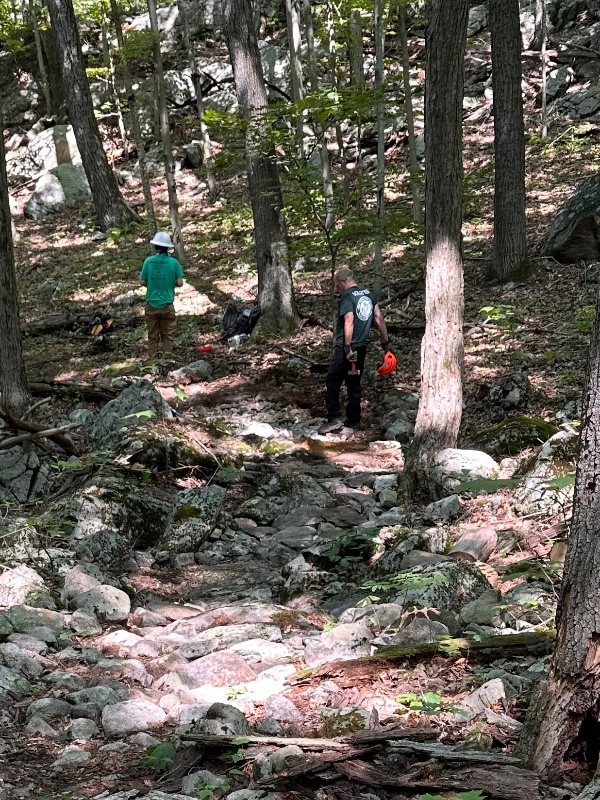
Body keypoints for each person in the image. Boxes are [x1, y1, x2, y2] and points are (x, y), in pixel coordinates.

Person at [318, 267, 393, 434]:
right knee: (354, 381)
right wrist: (386, 343)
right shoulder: (368, 294)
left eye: (337, 285)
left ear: (344, 281)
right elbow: (378, 319)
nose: (337, 288)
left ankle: (334, 418)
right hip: (361, 347)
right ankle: (354, 420)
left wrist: (347, 347)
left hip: (347, 348)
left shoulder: (347, 296)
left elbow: (349, 320)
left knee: (333, 380)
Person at [139, 232, 184, 360]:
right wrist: (169, 282)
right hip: (167, 305)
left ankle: (153, 361)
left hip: (151, 305)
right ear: (168, 248)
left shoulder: (148, 261)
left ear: (155, 246)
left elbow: (142, 281)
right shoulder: (173, 262)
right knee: (168, 335)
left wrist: (152, 283)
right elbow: (180, 283)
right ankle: (167, 360)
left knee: (153, 336)